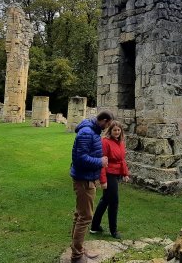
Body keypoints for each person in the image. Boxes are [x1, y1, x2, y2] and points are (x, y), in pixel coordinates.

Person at [69, 110, 114, 262]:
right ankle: (76, 255)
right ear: (104, 120)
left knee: (80, 214)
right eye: (108, 125)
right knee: (85, 216)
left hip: (88, 178)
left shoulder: (92, 131)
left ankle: (78, 248)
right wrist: (100, 162)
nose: (107, 128)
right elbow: (80, 158)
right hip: (84, 180)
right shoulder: (87, 132)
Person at [90, 120, 130, 239]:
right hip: (108, 174)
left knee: (105, 200)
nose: (117, 132)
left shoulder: (121, 142)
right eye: (114, 130)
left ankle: (95, 226)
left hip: (116, 174)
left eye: (118, 130)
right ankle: (114, 230)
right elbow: (103, 162)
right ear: (110, 131)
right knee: (114, 202)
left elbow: (122, 159)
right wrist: (103, 180)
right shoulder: (105, 142)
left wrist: (125, 173)